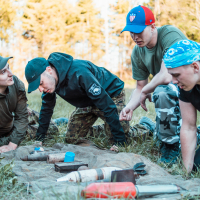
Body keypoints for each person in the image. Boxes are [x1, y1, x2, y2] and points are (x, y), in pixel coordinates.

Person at [120, 5, 187, 163]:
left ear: (152, 27)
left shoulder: (170, 35)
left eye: (139, 31)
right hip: (175, 90)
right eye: (131, 32)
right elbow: (140, 87)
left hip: (190, 85)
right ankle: (168, 138)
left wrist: (147, 90)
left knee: (161, 92)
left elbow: (166, 76)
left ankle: (171, 146)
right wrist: (129, 107)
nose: (135, 36)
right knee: (161, 92)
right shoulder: (138, 52)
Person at [24, 53, 132, 147]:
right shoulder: (50, 84)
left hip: (110, 96)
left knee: (121, 138)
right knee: (72, 139)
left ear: (48, 70)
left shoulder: (79, 72)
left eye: (41, 83)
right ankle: (107, 130)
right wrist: (40, 139)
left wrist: (119, 142)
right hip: (87, 102)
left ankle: (143, 127)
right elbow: (46, 109)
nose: (40, 89)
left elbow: (107, 105)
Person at [163, 39, 200, 172]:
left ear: (195, 67)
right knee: (196, 168)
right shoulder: (186, 88)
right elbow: (189, 127)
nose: (173, 81)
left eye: (176, 75)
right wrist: (186, 170)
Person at [0, 56, 28, 153]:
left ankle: (59, 121)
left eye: (9, 67)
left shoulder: (15, 82)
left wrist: (12, 144)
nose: (11, 73)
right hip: (4, 128)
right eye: (3, 72)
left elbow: (22, 116)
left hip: (12, 121)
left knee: (51, 128)